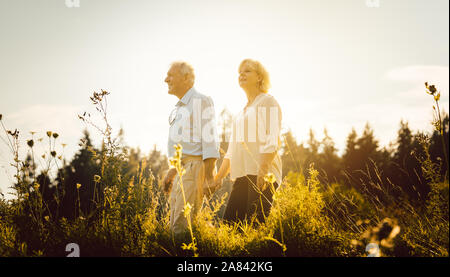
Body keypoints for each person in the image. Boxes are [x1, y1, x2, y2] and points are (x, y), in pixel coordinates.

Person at [213, 59, 282, 224]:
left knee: (255, 225)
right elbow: (232, 150)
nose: (241, 74)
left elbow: (272, 139)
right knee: (230, 225)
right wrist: (218, 178)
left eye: (247, 71)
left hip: (262, 173)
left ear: (259, 77)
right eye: (239, 72)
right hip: (242, 175)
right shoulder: (241, 113)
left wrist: (263, 170)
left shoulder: (268, 101)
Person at [163, 61, 220, 235]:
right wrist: (173, 170)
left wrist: (209, 177)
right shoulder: (178, 108)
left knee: (182, 228)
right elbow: (186, 144)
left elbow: (209, 141)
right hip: (182, 171)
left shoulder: (200, 101)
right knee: (175, 225)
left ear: (186, 78)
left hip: (194, 170)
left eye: (170, 75)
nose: (166, 80)